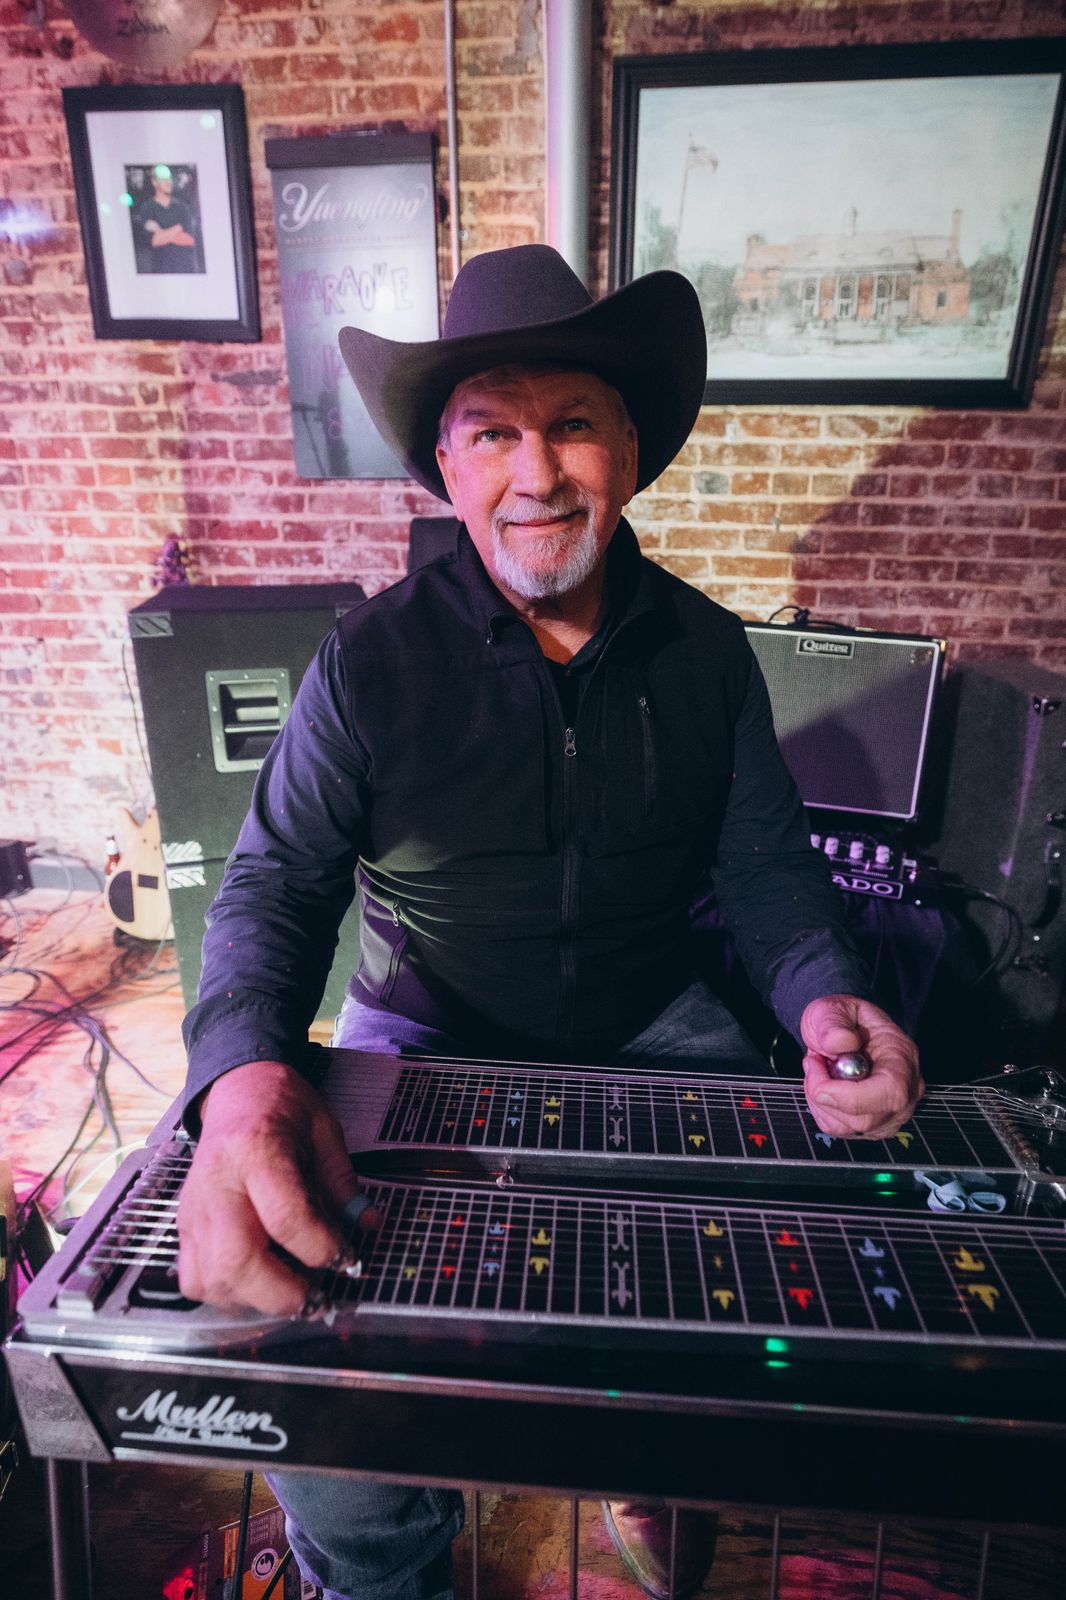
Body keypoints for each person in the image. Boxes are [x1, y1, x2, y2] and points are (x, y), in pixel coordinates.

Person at [177, 245, 922, 1600]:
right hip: (423, 1027)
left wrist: (823, 992)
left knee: (749, 1297)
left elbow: (766, 873)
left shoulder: (709, 655)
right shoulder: (367, 661)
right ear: (445, 466)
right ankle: (384, 1566)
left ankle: (656, 1458)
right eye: (493, 433)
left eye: (572, 424)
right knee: (314, 1358)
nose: (537, 473)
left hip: (655, 1021)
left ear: (626, 451)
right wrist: (241, 1080)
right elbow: (274, 884)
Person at [133, 166, 200, 274]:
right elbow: (154, 241)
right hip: (161, 272)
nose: (168, 182)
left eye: (169, 178)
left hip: (186, 270)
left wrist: (161, 232)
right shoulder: (147, 208)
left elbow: (190, 240)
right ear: (154, 182)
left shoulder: (182, 207)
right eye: (164, 179)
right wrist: (178, 229)